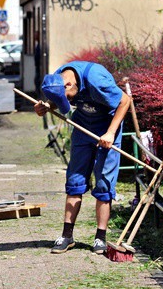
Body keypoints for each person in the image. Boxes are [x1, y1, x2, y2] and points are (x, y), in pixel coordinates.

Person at [34, 61, 130, 254]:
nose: (68, 101)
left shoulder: (96, 80)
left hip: (107, 127)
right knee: (75, 181)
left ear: (69, 85)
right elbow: (59, 101)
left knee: (104, 183)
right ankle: (67, 236)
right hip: (82, 127)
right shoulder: (57, 78)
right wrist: (47, 107)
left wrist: (110, 133)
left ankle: (100, 238)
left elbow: (125, 100)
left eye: (68, 97)